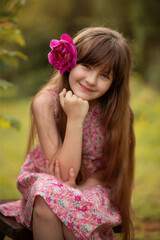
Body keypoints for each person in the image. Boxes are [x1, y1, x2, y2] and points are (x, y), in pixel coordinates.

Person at [0, 27, 135, 240]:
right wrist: (75, 118)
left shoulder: (117, 111)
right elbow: (62, 175)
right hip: (50, 180)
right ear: (70, 61)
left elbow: (110, 173)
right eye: (87, 66)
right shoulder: (45, 102)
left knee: (68, 216)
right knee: (46, 198)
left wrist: (77, 191)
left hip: (95, 188)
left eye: (104, 75)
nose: (91, 80)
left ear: (114, 82)